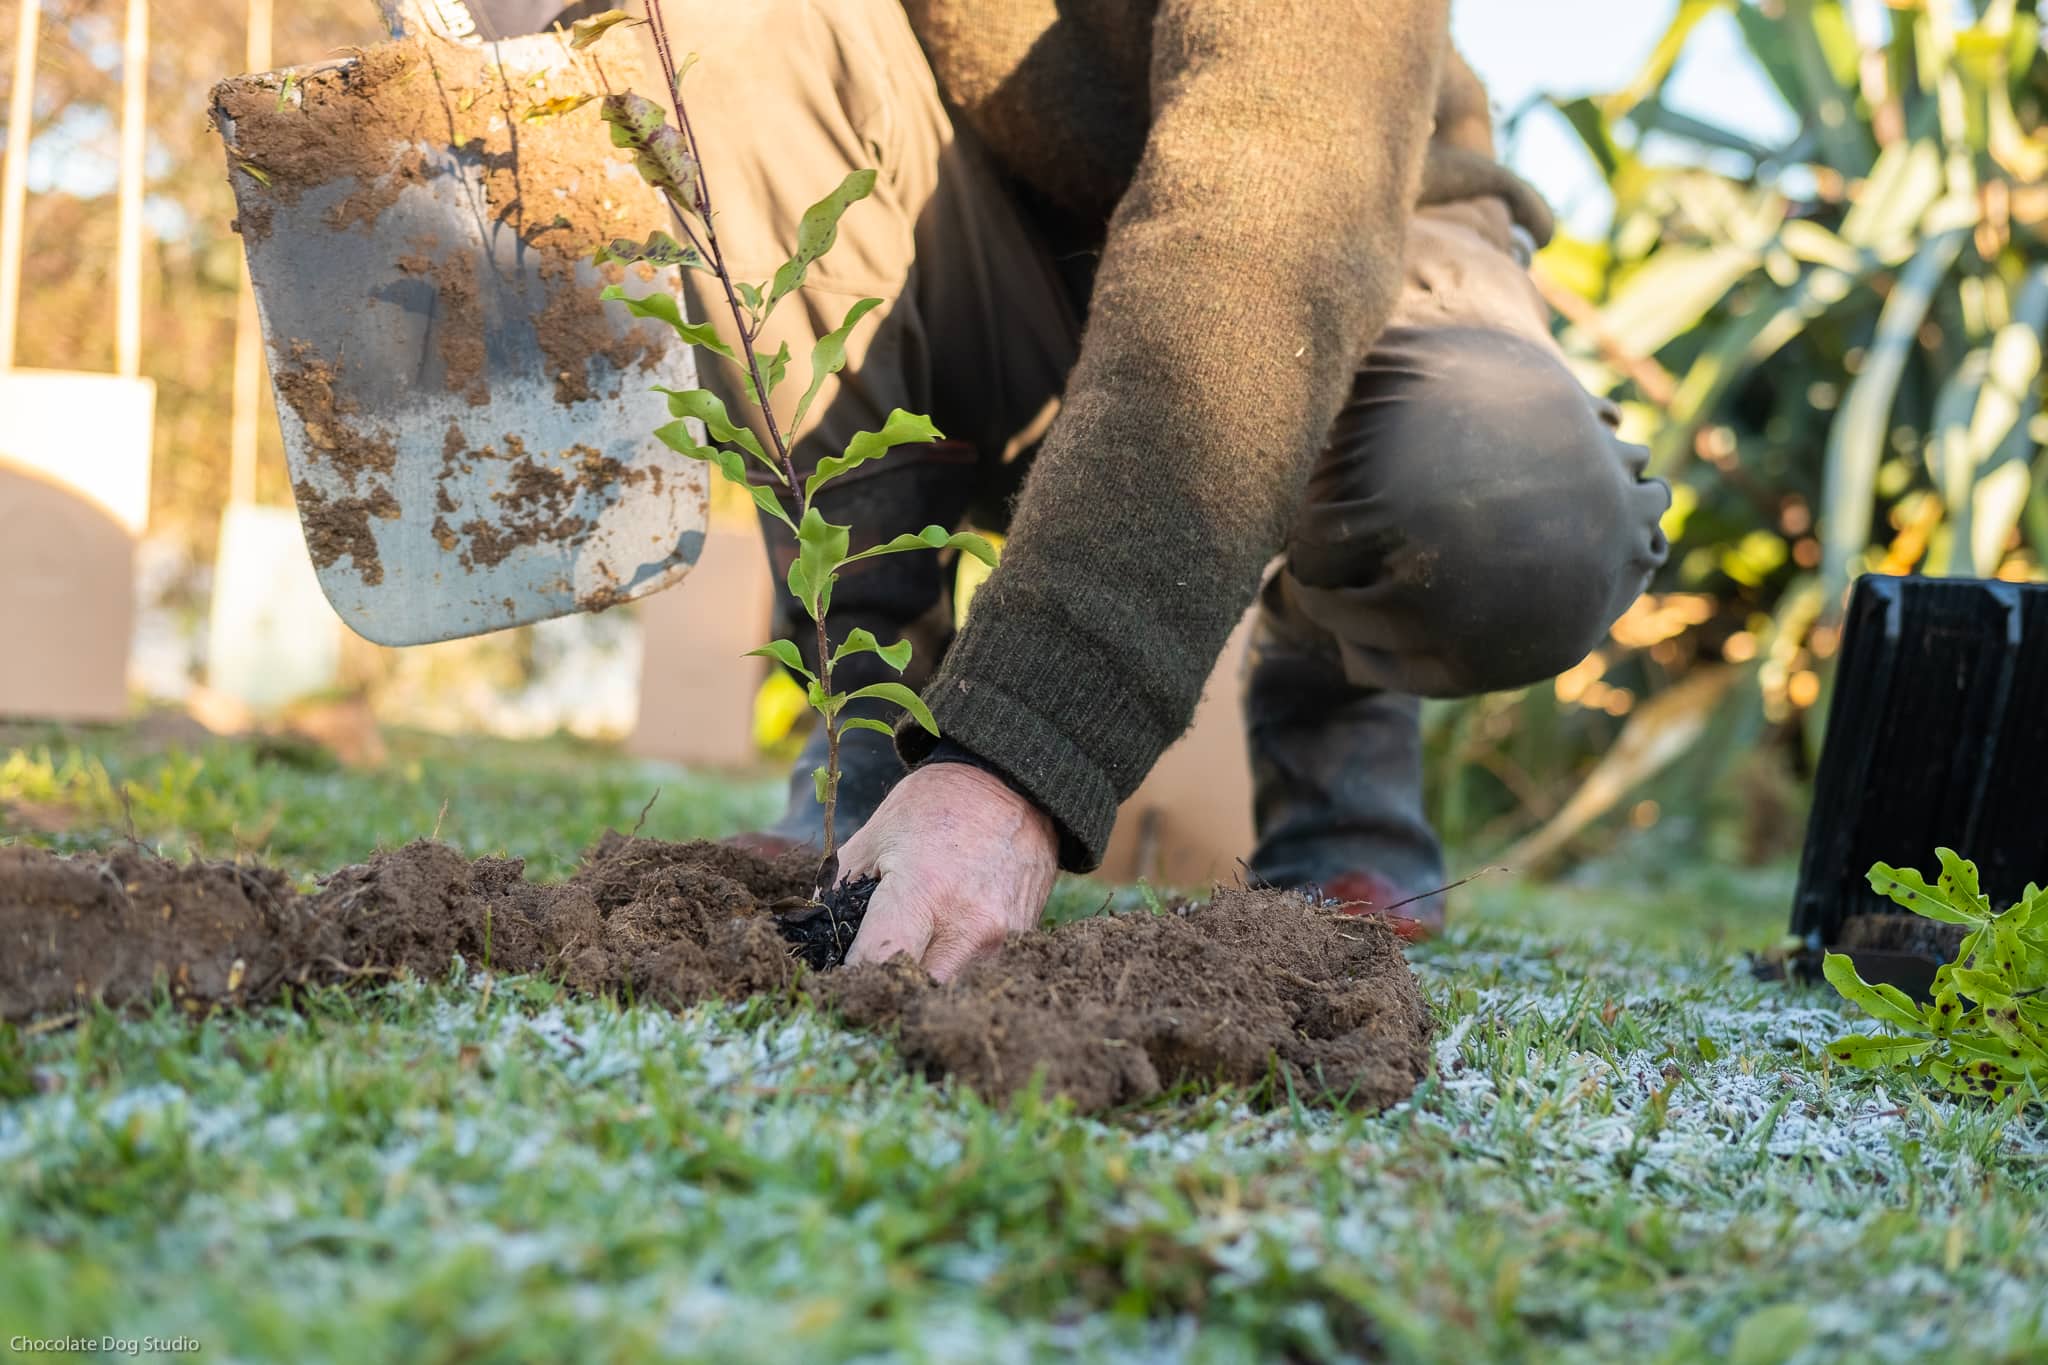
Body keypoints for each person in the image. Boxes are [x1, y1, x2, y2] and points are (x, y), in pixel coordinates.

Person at [476, 0, 1670, 978]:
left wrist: (1011, 769)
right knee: (697, 33)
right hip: (987, 216)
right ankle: (870, 741)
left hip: (1339, 226)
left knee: (1510, 507)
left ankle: (1338, 724)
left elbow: (1255, 240)